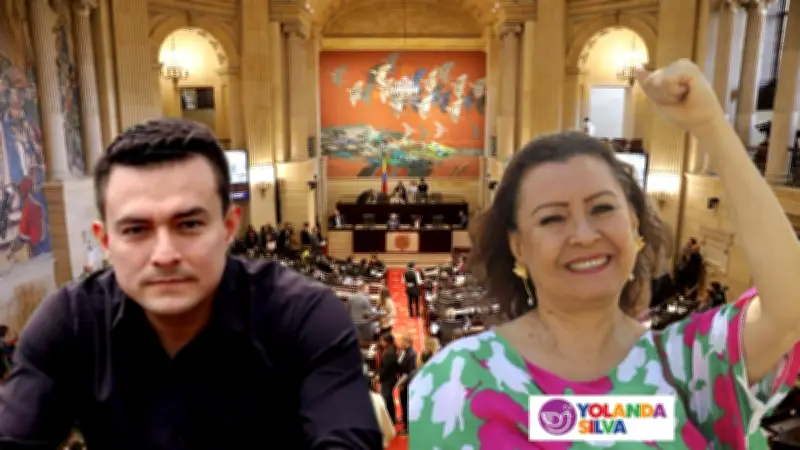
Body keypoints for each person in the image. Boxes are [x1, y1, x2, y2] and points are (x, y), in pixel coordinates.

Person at [409, 60, 800, 448]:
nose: (583, 235)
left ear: (634, 226)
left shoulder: (686, 367)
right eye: (552, 218)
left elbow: (790, 307)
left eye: (602, 208)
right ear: (518, 246)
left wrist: (711, 125)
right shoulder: (458, 381)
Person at [0, 118, 381, 449]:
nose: (164, 254)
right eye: (136, 230)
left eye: (189, 224)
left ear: (229, 227)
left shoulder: (304, 315)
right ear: (106, 241)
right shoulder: (69, 324)